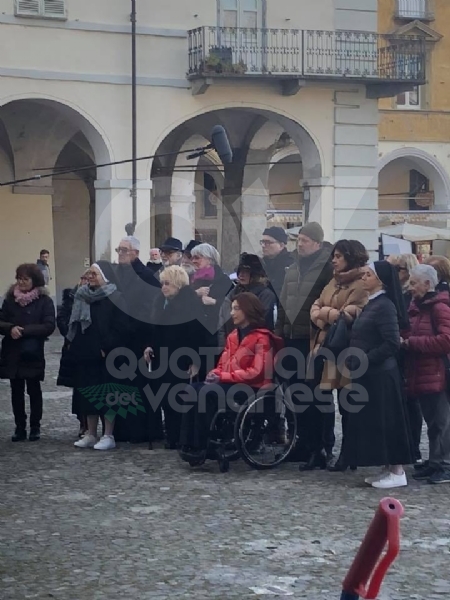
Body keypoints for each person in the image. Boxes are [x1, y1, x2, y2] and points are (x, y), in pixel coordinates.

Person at [179, 293, 283, 457]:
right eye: (232, 309)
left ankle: (204, 444)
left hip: (253, 388)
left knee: (207, 393)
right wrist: (215, 373)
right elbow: (223, 364)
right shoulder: (233, 336)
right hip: (232, 383)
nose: (232, 313)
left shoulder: (262, 338)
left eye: (236, 309)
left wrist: (224, 377)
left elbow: (257, 372)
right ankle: (189, 442)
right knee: (192, 389)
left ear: (248, 311)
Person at [344, 261, 411, 489]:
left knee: (389, 422)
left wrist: (365, 358)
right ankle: (386, 468)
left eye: (368, 275)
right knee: (377, 424)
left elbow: (391, 343)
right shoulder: (372, 304)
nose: (364, 278)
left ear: (380, 280)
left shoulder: (385, 305)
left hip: (382, 375)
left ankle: (397, 470)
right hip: (370, 374)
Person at [308, 240, 369, 471]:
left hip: (345, 350)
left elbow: (350, 316)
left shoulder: (362, 284)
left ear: (351, 258)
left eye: (339, 256)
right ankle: (322, 448)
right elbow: (315, 308)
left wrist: (325, 313)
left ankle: (349, 453)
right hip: (324, 347)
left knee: (347, 404)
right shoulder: (333, 281)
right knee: (319, 398)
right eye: (334, 255)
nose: (333, 260)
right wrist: (328, 314)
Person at [275, 222, 333, 460]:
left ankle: (321, 445)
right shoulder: (293, 268)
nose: (300, 244)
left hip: (311, 339)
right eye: (298, 240)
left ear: (317, 244)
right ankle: (302, 441)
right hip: (290, 337)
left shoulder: (326, 270)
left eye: (305, 241)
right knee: (295, 395)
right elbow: (283, 302)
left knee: (316, 395)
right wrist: (279, 331)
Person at [58, 261, 128, 451]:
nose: (90, 277)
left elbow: (120, 326)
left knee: (107, 394)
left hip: (108, 354)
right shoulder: (82, 295)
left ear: (104, 277)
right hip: (85, 352)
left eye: (94, 274)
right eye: (89, 273)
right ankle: (90, 433)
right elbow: (75, 323)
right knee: (87, 394)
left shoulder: (116, 297)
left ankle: (108, 434)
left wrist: (106, 346)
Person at [143, 266, 207, 449]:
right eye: (162, 283)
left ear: (178, 284)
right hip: (163, 356)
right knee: (165, 397)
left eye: (167, 283)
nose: (163, 287)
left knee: (178, 398)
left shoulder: (189, 303)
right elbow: (155, 328)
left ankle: (181, 437)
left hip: (181, 357)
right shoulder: (162, 301)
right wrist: (149, 346)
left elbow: (197, 334)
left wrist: (195, 361)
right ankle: (172, 435)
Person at [403, 264, 450, 484]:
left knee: (441, 421)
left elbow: (446, 341)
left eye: (413, 282)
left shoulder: (439, 307)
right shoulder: (417, 306)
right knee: (432, 421)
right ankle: (435, 461)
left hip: (438, 371)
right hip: (422, 371)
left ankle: (444, 464)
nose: (409, 287)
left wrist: (411, 342)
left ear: (427, 284)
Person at [114, 236, 161, 444]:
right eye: (119, 250)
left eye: (125, 250)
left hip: (139, 340)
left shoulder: (147, 276)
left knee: (140, 388)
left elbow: (149, 311)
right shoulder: (117, 275)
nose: (121, 253)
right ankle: (123, 430)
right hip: (120, 340)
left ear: (136, 253)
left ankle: (142, 431)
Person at [0, 264, 55, 441]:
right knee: (16, 390)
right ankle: (19, 426)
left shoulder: (44, 301)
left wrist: (25, 330)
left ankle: (35, 426)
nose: (21, 282)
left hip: (32, 351)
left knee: (34, 389)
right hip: (13, 351)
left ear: (34, 281)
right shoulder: (10, 299)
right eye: (19, 278)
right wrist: (10, 328)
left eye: (25, 279)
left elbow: (48, 326)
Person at [218, 253, 275, 350]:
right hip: (231, 346)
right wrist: (223, 347)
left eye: (246, 272)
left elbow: (260, 323)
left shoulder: (266, 295)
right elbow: (222, 320)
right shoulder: (233, 292)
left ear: (256, 274)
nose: (241, 275)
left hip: (254, 347)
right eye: (239, 271)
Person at [57, 270, 89, 437]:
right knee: (78, 388)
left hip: (89, 347)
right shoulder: (71, 296)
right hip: (73, 347)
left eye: (88, 277)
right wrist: (70, 333)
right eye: (82, 277)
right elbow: (61, 318)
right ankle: (82, 422)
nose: (84, 280)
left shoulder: (96, 297)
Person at [190, 243, 234, 356]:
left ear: (209, 260)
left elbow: (232, 306)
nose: (193, 261)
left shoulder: (223, 280)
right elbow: (181, 302)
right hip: (193, 334)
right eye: (192, 257)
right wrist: (195, 294)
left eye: (197, 257)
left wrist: (214, 302)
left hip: (214, 335)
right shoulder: (190, 280)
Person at [260, 226, 294, 300]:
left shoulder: (291, 264)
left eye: (268, 242)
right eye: (262, 242)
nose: (263, 246)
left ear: (281, 245)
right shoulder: (260, 264)